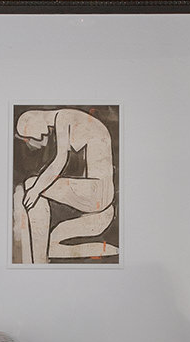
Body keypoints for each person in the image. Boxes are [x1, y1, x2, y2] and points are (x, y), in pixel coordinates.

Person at [13, 107, 118, 263]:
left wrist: (35, 190)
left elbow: (59, 161)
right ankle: (42, 257)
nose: (35, 137)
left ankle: (39, 261)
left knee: (32, 184)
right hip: (100, 196)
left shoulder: (64, 117)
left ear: (32, 119)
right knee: (53, 244)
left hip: (97, 192)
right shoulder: (67, 119)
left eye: (29, 132)